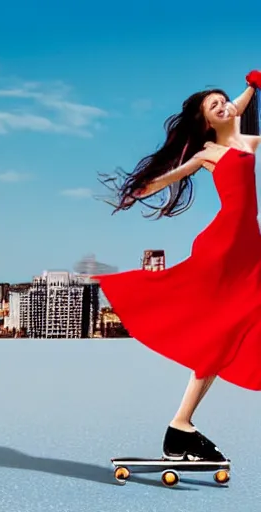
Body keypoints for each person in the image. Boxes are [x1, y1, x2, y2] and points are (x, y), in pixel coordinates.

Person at [95, 70, 261, 462]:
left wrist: (254, 86)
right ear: (206, 121)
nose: (223, 106)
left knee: (227, 332)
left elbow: (241, 104)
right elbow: (173, 174)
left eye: (224, 101)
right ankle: (180, 427)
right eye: (213, 106)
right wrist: (142, 190)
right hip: (224, 246)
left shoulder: (248, 140)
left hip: (250, 249)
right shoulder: (208, 154)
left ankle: (180, 426)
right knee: (222, 324)